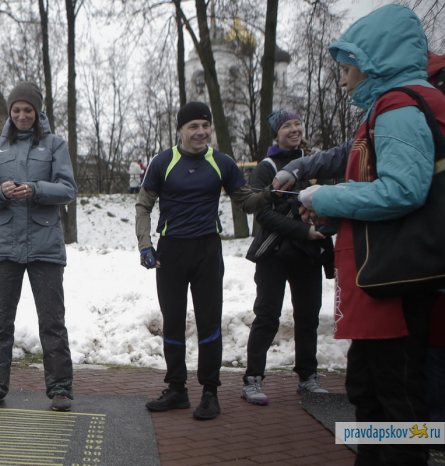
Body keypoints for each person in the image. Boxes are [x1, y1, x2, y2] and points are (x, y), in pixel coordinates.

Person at [274, 6, 445, 464]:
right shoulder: (392, 107)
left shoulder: (399, 107)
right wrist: (331, 212)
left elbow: (403, 191)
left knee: (397, 400)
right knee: (368, 393)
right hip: (384, 277)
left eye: (348, 68)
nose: (343, 80)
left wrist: (326, 197)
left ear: (374, 62)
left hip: (394, 282)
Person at [136, 101, 269, 420]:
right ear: (179, 131)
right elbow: (143, 205)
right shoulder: (163, 162)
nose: (201, 132)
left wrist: (270, 194)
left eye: (205, 125)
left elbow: (246, 202)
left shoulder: (222, 162)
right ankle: (177, 390)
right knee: (173, 322)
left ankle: (210, 393)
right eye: (193, 126)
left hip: (207, 251)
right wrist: (145, 245)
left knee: (209, 322)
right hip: (170, 253)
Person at [0, 82, 77, 412]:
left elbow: (68, 189)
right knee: (1, 322)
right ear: (10, 112)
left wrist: (36, 189)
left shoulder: (54, 144)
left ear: (38, 112)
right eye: (17, 109)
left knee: (52, 321)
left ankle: (60, 388)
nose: (22, 115)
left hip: (45, 247)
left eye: (28, 110)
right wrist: (1, 193)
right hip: (4, 247)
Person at [240, 110, 332, 406]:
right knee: (267, 316)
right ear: (276, 134)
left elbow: (330, 201)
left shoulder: (314, 164)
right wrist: (304, 231)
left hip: (308, 255)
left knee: (308, 317)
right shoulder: (265, 168)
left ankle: (308, 376)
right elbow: (263, 215)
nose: (294, 129)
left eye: (298, 124)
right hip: (274, 254)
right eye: (287, 125)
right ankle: (253, 378)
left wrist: (323, 228)